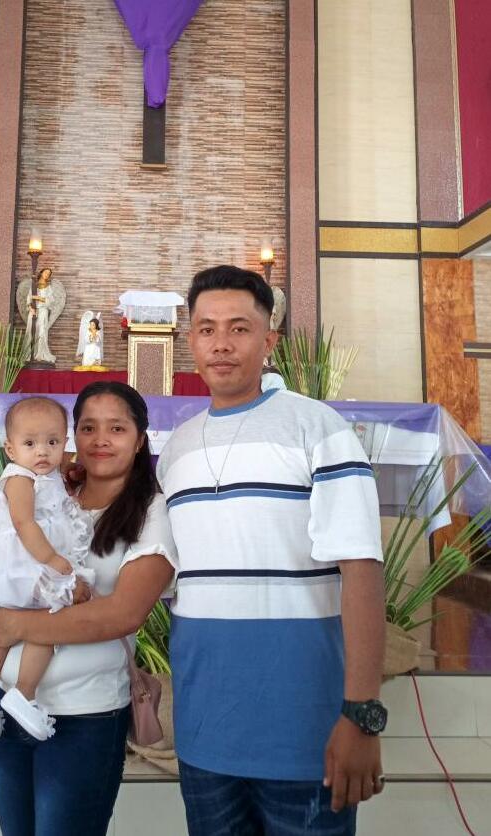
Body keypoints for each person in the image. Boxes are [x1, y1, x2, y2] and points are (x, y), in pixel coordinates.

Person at [155, 265, 387, 835]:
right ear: (190, 342)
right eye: (206, 329)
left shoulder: (317, 428)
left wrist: (362, 714)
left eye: (239, 328)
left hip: (304, 730)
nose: (221, 344)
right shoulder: (176, 450)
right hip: (205, 730)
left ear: (269, 340)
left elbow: (362, 570)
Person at [0, 381, 177, 836]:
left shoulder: (153, 512)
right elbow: (1, 565)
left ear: (140, 438)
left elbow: (123, 614)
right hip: (7, 701)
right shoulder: (47, 493)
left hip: (85, 713)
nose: (100, 440)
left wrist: (18, 624)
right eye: (88, 428)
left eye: (117, 428)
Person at [0, 396, 95, 741]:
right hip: (24, 560)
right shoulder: (20, 478)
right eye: (30, 443)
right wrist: (52, 560)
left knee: (5, 628)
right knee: (46, 624)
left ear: (65, 443)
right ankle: (24, 693)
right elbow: (24, 523)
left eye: (52, 442)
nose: (42, 451)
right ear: (10, 448)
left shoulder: (47, 476)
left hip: (25, 562)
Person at [26, 267, 56, 363]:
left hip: (43, 310)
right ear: (41, 273)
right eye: (45, 272)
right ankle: (30, 354)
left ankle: (40, 354)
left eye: (49, 274)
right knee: (31, 331)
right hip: (33, 311)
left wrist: (39, 298)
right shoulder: (34, 285)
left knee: (41, 332)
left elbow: (51, 301)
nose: (47, 274)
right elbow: (29, 298)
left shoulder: (48, 287)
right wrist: (31, 308)